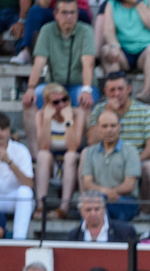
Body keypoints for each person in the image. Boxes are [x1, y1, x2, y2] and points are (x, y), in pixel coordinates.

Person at [21, 0, 96, 157]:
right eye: (64, 12)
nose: (69, 16)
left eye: (72, 12)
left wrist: (86, 90)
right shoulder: (47, 30)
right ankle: (36, 155)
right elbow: (39, 62)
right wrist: (30, 88)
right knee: (29, 103)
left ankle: (88, 154)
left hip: (80, 85)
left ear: (77, 14)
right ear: (55, 14)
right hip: (54, 86)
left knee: (86, 102)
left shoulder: (86, 30)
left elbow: (87, 63)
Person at [87, 71, 150, 204]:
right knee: (83, 159)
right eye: (112, 90)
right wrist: (108, 112)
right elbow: (91, 141)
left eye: (120, 89)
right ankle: (86, 206)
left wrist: (131, 161)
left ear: (129, 89)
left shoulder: (143, 111)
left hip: (136, 158)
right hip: (104, 157)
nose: (117, 94)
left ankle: (145, 212)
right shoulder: (99, 110)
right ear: (106, 91)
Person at [99, 0, 150, 103]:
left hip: (146, 50)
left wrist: (138, 2)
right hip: (123, 51)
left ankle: (146, 93)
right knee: (107, 50)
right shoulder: (111, 3)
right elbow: (108, 31)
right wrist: (115, 45)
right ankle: (116, 92)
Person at [33, 83, 82, 219]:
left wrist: (68, 120)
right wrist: (47, 119)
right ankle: (40, 206)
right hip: (52, 162)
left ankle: (63, 208)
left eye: (64, 99)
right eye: (56, 102)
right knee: (42, 155)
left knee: (70, 156)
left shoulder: (77, 114)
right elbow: (43, 145)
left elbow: (73, 146)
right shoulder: (41, 115)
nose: (61, 104)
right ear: (47, 103)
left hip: (71, 162)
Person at [81, 109, 140, 220]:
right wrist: (105, 193)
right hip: (98, 199)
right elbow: (87, 184)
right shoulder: (89, 152)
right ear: (98, 128)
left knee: (96, 207)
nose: (109, 130)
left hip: (124, 200)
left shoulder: (131, 151)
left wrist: (110, 193)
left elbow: (129, 185)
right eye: (105, 126)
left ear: (120, 127)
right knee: (94, 206)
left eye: (113, 126)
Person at [67, 190, 137, 240]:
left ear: (104, 209)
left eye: (97, 209)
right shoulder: (74, 236)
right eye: (88, 210)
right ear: (81, 211)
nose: (93, 213)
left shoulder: (124, 232)